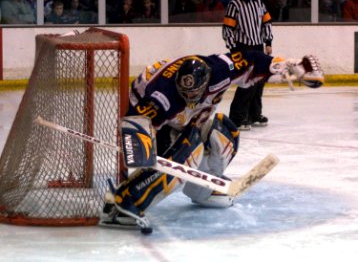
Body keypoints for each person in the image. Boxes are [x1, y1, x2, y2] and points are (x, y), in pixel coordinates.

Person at [99, 51, 324, 232]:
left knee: (225, 132)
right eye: (185, 93)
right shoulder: (163, 96)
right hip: (160, 120)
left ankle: (202, 190)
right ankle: (128, 200)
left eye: (194, 93)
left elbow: (252, 59)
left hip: (188, 119)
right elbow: (137, 123)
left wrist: (289, 64)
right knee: (186, 153)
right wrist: (140, 145)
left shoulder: (219, 69)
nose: (190, 98)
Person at [222, 0, 273, 130]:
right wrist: (234, 49)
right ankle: (237, 118)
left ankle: (254, 115)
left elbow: (266, 23)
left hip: (258, 47)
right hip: (243, 48)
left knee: (258, 82)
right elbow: (227, 29)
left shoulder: (259, 1)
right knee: (246, 84)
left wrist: (268, 41)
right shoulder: (234, 4)